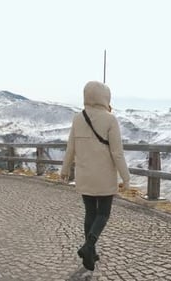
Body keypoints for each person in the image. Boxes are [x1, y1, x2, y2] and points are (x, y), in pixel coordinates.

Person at [61, 81, 130, 271]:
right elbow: (117, 153)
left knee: (90, 213)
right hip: (105, 176)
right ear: (105, 97)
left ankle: (90, 255)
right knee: (104, 213)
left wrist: (65, 169)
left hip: (85, 175)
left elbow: (70, 149)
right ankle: (89, 246)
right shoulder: (110, 119)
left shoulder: (78, 118)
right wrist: (126, 177)